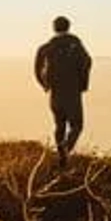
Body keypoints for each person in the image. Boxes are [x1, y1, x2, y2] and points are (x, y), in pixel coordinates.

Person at [34, 15, 92, 167]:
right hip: (72, 93)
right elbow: (87, 63)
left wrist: (45, 85)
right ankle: (66, 149)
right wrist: (82, 84)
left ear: (54, 28)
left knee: (59, 125)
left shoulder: (46, 48)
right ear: (68, 27)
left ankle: (62, 159)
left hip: (54, 93)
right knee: (77, 125)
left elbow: (36, 69)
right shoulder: (76, 45)